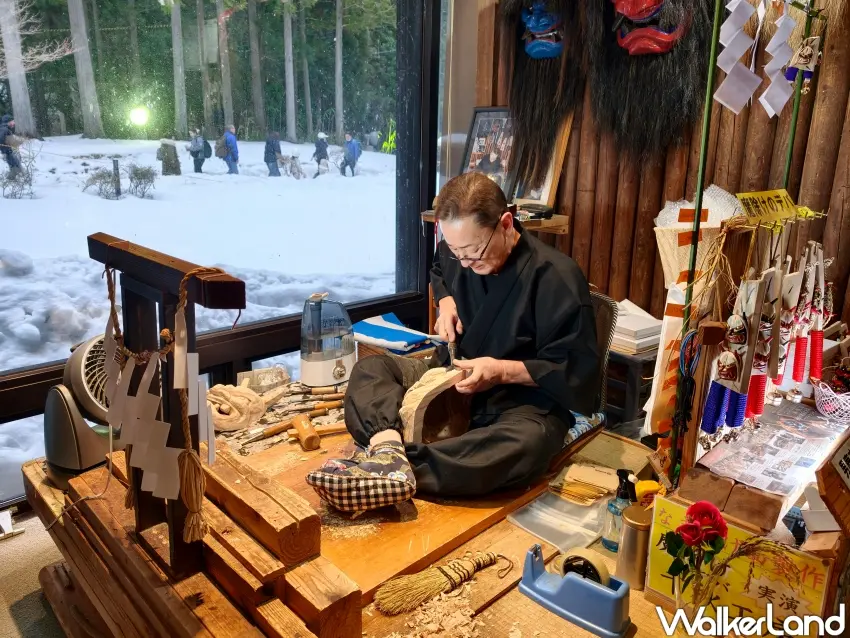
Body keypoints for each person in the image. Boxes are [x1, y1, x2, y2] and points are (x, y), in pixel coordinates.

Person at [306, 172, 600, 513]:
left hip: (520, 403)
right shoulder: (458, 250)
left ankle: (401, 468)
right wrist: (445, 302)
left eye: (474, 253)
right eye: (456, 251)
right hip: (451, 377)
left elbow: (576, 373)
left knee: (526, 446)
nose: (465, 264)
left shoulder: (556, 278)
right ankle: (388, 450)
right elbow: (440, 266)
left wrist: (500, 371)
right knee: (371, 368)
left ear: (506, 223)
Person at [0, 115, 22, 179]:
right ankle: (12, 179)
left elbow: (9, 139)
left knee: (15, 164)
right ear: (8, 122)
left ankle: (16, 177)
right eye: (12, 121)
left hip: (9, 151)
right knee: (14, 165)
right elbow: (1, 139)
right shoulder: (4, 129)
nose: (14, 123)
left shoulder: (5, 129)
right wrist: (5, 149)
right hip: (8, 151)